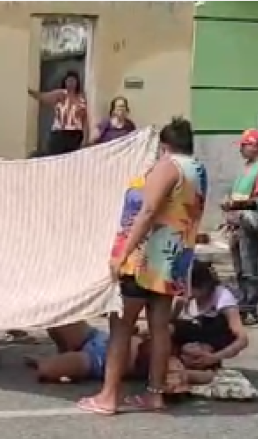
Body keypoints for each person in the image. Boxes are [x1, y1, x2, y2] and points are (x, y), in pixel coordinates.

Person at [79, 117, 207, 415]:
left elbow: (148, 211)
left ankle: (108, 397)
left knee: (121, 327)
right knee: (160, 328)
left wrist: (121, 254)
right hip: (173, 261)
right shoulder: (197, 170)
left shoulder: (168, 167)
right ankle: (154, 395)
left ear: (164, 146)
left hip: (145, 260)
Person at [221, 129, 258, 326]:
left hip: (248, 223)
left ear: (255, 145)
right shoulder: (248, 166)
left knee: (249, 268)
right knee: (239, 269)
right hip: (237, 222)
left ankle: (250, 308)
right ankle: (243, 306)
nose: (241, 149)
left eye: (245, 145)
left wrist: (235, 205)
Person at [171, 262, 250, 363]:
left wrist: (214, 357)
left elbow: (242, 339)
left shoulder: (222, 297)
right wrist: (177, 307)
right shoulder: (184, 298)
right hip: (191, 338)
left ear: (205, 286)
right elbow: (168, 325)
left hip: (212, 340)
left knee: (195, 352)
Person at [28, 71, 89, 156]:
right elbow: (44, 97)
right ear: (65, 82)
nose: (71, 83)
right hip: (59, 133)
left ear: (77, 82)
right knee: (55, 157)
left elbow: (84, 120)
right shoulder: (60, 94)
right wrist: (30, 91)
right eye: (68, 81)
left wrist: (85, 138)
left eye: (73, 81)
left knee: (71, 159)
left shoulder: (81, 98)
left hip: (75, 134)